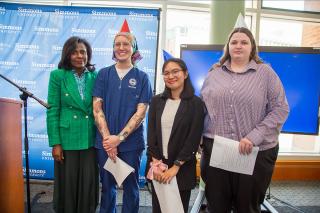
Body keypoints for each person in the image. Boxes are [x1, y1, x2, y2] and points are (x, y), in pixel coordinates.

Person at [200, 27, 289, 213]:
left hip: (254, 153)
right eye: (234, 42)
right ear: (228, 47)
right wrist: (199, 138)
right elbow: (203, 109)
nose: (238, 46)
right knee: (216, 206)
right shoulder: (214, 74)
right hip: (218, 151)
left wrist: (254, 136)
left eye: (244, 42)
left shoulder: (266, 73)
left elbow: (280, 108)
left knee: (247, 207)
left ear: (252, 47)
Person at [92, 19, 153, 213]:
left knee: (131, 188)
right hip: (104, 142)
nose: (121, 47)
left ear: (133, 48)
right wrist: (109, 140)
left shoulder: (142, 78)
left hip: (131, 144)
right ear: (113, 49)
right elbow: (97, 108)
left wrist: (119, 139)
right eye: (117, 44)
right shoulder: (103, 74)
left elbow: (141, 113)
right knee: (107, 186)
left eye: (126, 43)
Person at [46, 36, 99, 213]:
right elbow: (53, 110)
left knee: (88, 184)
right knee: (67, 185)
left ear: (88, 54)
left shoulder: (95, 75)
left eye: (83, 52)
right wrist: (56, 143)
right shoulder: (58, 76)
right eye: (74, 52)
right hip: (67, 139)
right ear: (67, 55)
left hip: (89, 137)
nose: (79, 56)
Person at [147, 58, 205, 213]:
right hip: (158, 167)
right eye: (166, 73)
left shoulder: (196, 104)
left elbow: (193, 139)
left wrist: (175, 167)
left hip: (182, 169)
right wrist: (156, 163)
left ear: (185, 74)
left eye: (175, 71)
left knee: (177, 209)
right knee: (158, 209)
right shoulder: (156, 101)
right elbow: (151, 135)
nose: (170, 76)